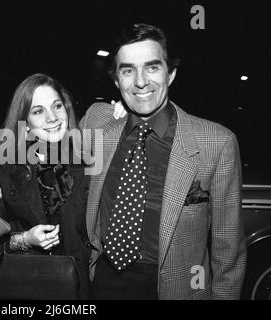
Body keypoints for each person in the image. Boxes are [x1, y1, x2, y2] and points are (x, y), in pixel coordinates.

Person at [80, 23, 246, 299]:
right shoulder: (97, 122)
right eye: (128, 70)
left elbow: (228, 249)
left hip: (175, 288)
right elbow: (45, 151)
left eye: (152, 67)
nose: (141, 81)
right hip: (101, 280)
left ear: (171, 74)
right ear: (116, 80)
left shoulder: (217, 143)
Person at [0, 73, 91, 299]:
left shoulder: (87, 161)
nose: (52, 117)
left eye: (57, 106)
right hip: (31, 286)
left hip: (85, 287)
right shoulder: (6, 170)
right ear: (25, 125)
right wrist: (26, 239)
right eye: (38, 111)